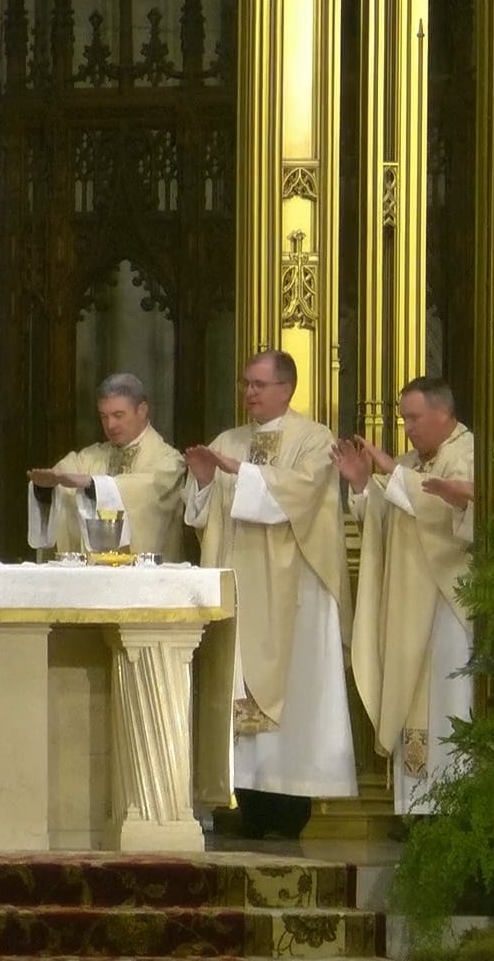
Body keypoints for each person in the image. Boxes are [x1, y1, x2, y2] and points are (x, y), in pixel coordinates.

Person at [184, 349, 355, 837]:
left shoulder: (313, 439)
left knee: (293, 699)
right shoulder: (229, 440)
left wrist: (241, 473)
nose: (249, 393)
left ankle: (288, 806)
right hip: (238, 588)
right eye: (245, 383)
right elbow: (202, 514)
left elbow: (299, 497)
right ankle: (241, 799)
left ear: (286, 387)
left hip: (292, 592)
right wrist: (201, 480)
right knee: (234, 692)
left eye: (259, 384)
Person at [337, 376, 475, 815]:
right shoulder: (413, 461)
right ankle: (417, 807)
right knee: (412, 695)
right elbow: (385, 515)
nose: (408, 427)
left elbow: (460, 515)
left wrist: (395, 475)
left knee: (448, 700)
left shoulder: (466, 454)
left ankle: (452, 805)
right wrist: (363, 485)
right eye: (404, 419)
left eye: (414, 418)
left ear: (443, 413)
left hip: (447, 605)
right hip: (407, 604)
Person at [27, 373, 186, 560]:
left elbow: (148, 489)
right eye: (104, 416)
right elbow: (60, 478)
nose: (110, 425)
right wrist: (46, 489)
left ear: (142, 410)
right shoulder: (89, 457)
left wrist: (94, 485)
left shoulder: (168, 460)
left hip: (145, 581)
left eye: (118, 415)